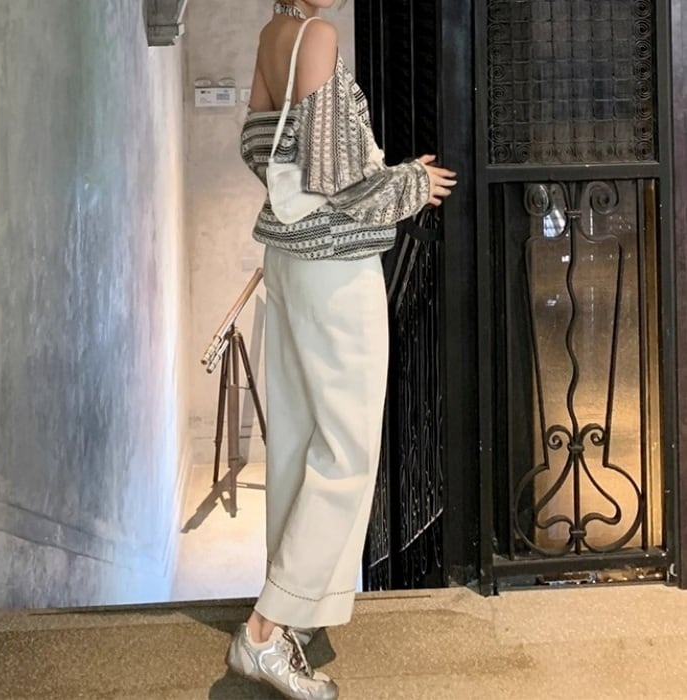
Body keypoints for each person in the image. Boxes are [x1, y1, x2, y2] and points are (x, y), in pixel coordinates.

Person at [226, 1, 457, 698]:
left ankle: (292, 610)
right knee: (346, 451)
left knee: (300, 441)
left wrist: (365, 172)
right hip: (334, 268)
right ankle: (265, 632)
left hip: (289, 259)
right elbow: (340, 181)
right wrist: (412, 184)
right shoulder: (318, 35)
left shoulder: (273, 36)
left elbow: (259, 150)